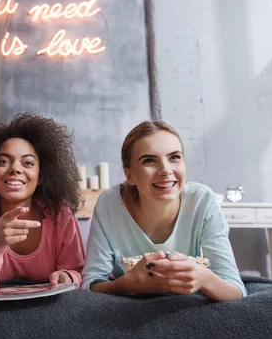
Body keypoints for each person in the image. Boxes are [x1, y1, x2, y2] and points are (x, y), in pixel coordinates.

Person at [82, 120, 246, 301]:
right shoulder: (109, 204)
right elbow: (91, 285)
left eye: (174, 157)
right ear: (129, 175)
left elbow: (236, 290)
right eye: (149, 160)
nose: (166, 170)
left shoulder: (202, 200)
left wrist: (204, 279)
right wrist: (129, 284)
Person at [0, 113, 86, 291]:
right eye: (4, 161)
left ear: (42, 176)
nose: (15, 168)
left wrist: (68, 276)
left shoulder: (60, 213)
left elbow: (78, 272)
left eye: (28, 163)